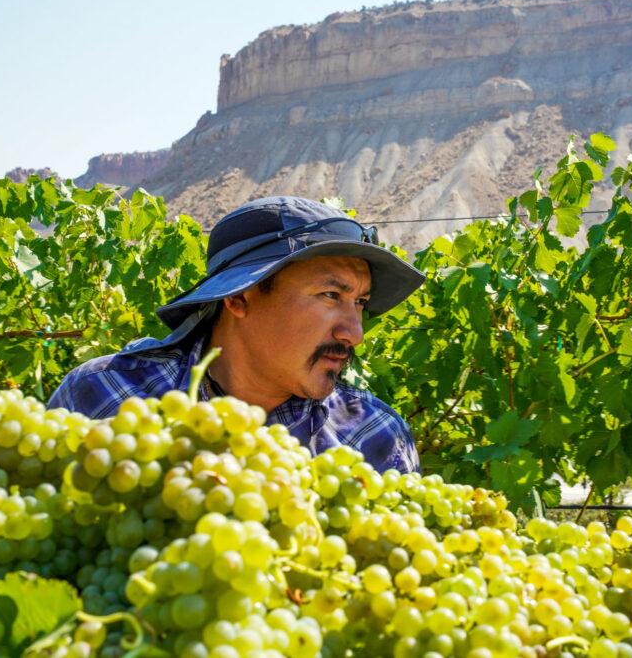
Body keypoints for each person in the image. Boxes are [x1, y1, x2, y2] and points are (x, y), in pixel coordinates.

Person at [47, 196, 426, 473]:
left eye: (360, 302)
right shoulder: (105, 396)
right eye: (331, 296)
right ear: (239, 298)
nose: (354, 333)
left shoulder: (375, 436)